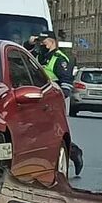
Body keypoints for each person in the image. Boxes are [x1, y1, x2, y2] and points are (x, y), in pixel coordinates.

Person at [39, 35, 84, 177]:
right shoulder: (41, 55)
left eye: (43, 42)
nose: (41, 44)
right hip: (36, 98)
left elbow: (66, 82)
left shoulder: (59, 58)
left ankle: (74, 153)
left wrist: (59, 98)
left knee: (55, 132)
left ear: (52, 42)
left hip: (52, 100)